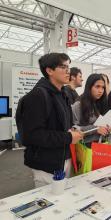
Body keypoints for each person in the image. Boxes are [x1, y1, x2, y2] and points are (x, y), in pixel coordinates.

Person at [22, 53, 83, 188]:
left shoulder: (63, 94)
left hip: (63, 158)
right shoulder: (38, 96)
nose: (68, 71)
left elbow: (60, 126)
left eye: (68, 66)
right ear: (49, 70)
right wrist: (68, 137)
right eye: (63, 67)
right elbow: (33, 135)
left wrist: (72, 130)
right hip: (46, 165)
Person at [72, 74, 110, 145]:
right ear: (89, 87)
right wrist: (95, 129)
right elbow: (74, 129)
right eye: (97, 87)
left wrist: (106, 128)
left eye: (103, 87)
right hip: (85, 148)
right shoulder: (78, 105)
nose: (101, 91)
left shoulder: (99, 103)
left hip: (100, 145)